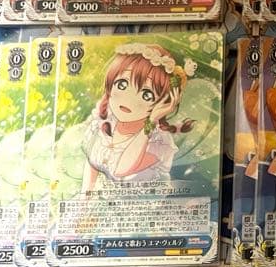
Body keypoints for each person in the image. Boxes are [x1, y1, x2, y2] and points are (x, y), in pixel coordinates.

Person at [81, 42, 195, 192]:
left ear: (164, 103)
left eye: (146, 95)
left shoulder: (159, 142)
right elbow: (93, 162)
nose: (129, 99)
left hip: (143, 204)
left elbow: (121, 169)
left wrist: (152, 119)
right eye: (122, 84)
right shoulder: (106, 122)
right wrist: (84, 200)